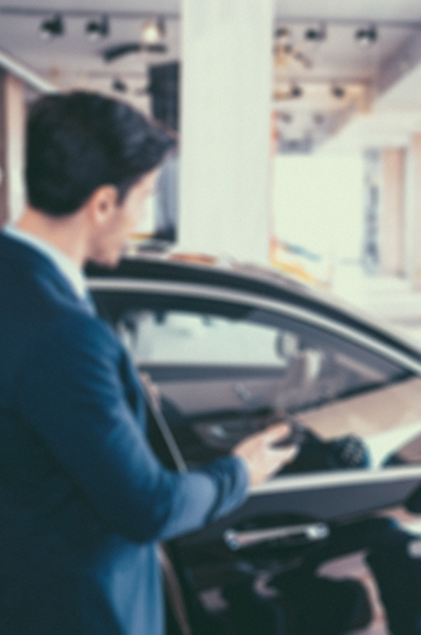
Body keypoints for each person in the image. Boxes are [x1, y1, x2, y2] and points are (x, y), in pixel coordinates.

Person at [0, 91, 298, 634]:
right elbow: (150, 507)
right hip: (74, 612)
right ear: (103, 204)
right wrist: (240, 473)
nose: (141, 220)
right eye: (144, 198)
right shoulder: (63, 334)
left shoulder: (18, 283)